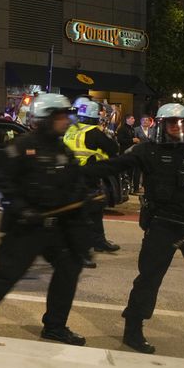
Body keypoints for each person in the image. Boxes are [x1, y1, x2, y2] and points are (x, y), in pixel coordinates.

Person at [84, 103, 184, 355]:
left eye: (180, 123)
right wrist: (80, 172)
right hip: (162, 224)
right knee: (149, 278)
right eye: (171, 123)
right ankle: (132, 330)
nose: (176, 127)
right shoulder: (148, 151)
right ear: (161, 125)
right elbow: (116, 164)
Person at [0, 94, 89, 345]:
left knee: (69, 267)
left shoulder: (62, 149)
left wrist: (82, 198)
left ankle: (55, 326)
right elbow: (4, 185)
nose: (66, 122)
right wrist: (23, 210)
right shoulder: (20, 147)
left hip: (55, 227)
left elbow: (75, 182)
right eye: (60, 116)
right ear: (46, 118)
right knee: (5, 277)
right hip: (25, 227)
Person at [64, 99, 121, 258]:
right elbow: (113, 148)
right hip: (87, 177)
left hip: (70, 175)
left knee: (96, 208)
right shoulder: (94, 132)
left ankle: (98, 241)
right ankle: (81, 251)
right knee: (85, 213)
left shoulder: (71, 129)